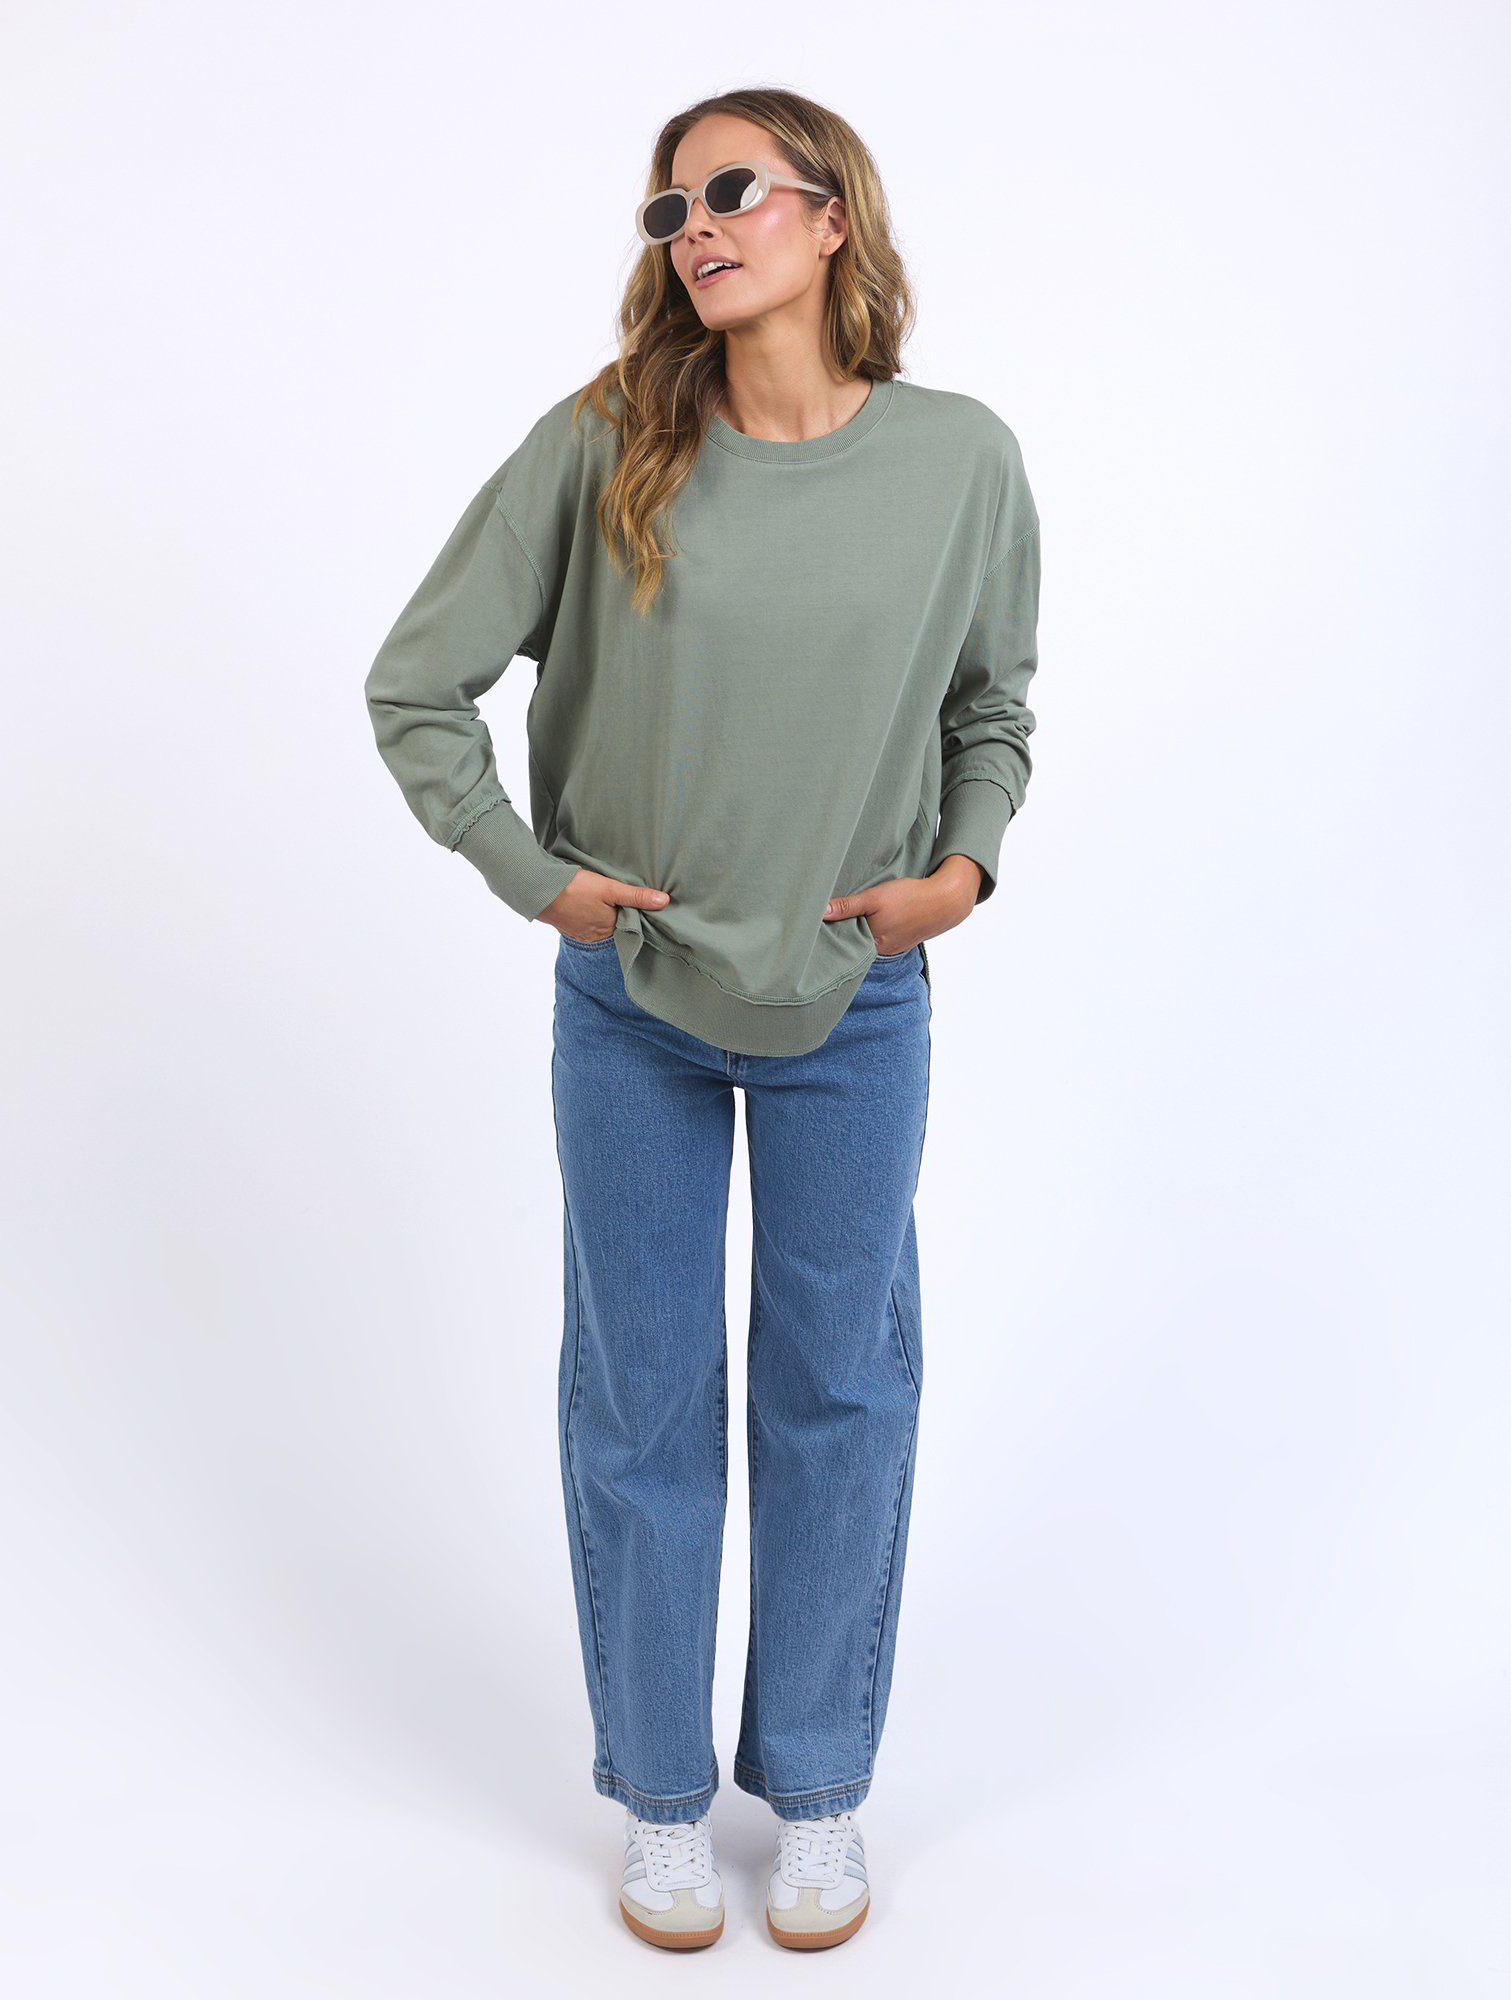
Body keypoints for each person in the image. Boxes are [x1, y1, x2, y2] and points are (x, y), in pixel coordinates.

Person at [364, 85, 1041, 1953]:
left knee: (839, 1397)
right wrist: (538, 878)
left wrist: (961, 874)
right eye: (671, 209)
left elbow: (992, 707)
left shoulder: (961, 462)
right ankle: (661, 1800)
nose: (697, 228)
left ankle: (817, 1791)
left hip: (857, 1002)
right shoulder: (604, 445)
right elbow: (417, 686)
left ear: (833, 217)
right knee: (643, 1400)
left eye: (731, 190)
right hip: (633, 1006)